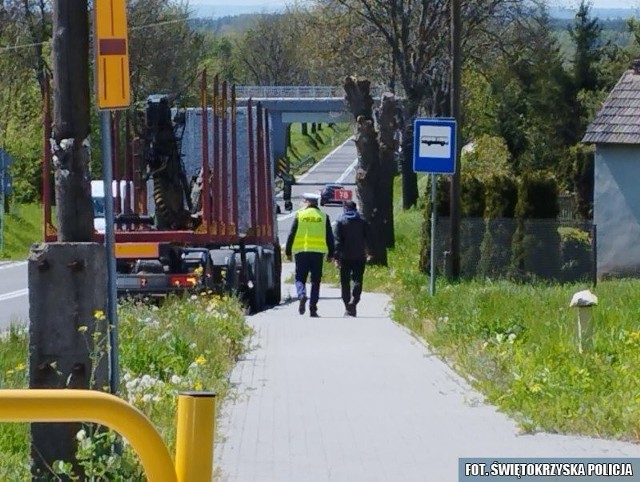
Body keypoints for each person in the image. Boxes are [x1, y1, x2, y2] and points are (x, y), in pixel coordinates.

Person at [285, 192, 335, 317]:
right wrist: (331, 254)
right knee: (315, 281)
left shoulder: (300, 215)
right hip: (318, 253)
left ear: (307, 202)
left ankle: (302, 295)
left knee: (300, 278)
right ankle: (313, 308)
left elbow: (291, 234)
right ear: (316, 203)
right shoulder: (323, 216)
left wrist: (288, 251)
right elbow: (330, 237)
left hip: (301, 252)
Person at [333, 200, 368, 317]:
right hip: (360, 255)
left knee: (345, 282)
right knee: (358, 279)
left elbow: (337, 241)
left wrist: (336, 257)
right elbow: (369, 237)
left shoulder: (340, 221)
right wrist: (369, 251)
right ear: (355, 209)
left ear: (345, 208)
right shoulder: (362, 220)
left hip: (345, 256)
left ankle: (347, 306)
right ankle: (354, 300)